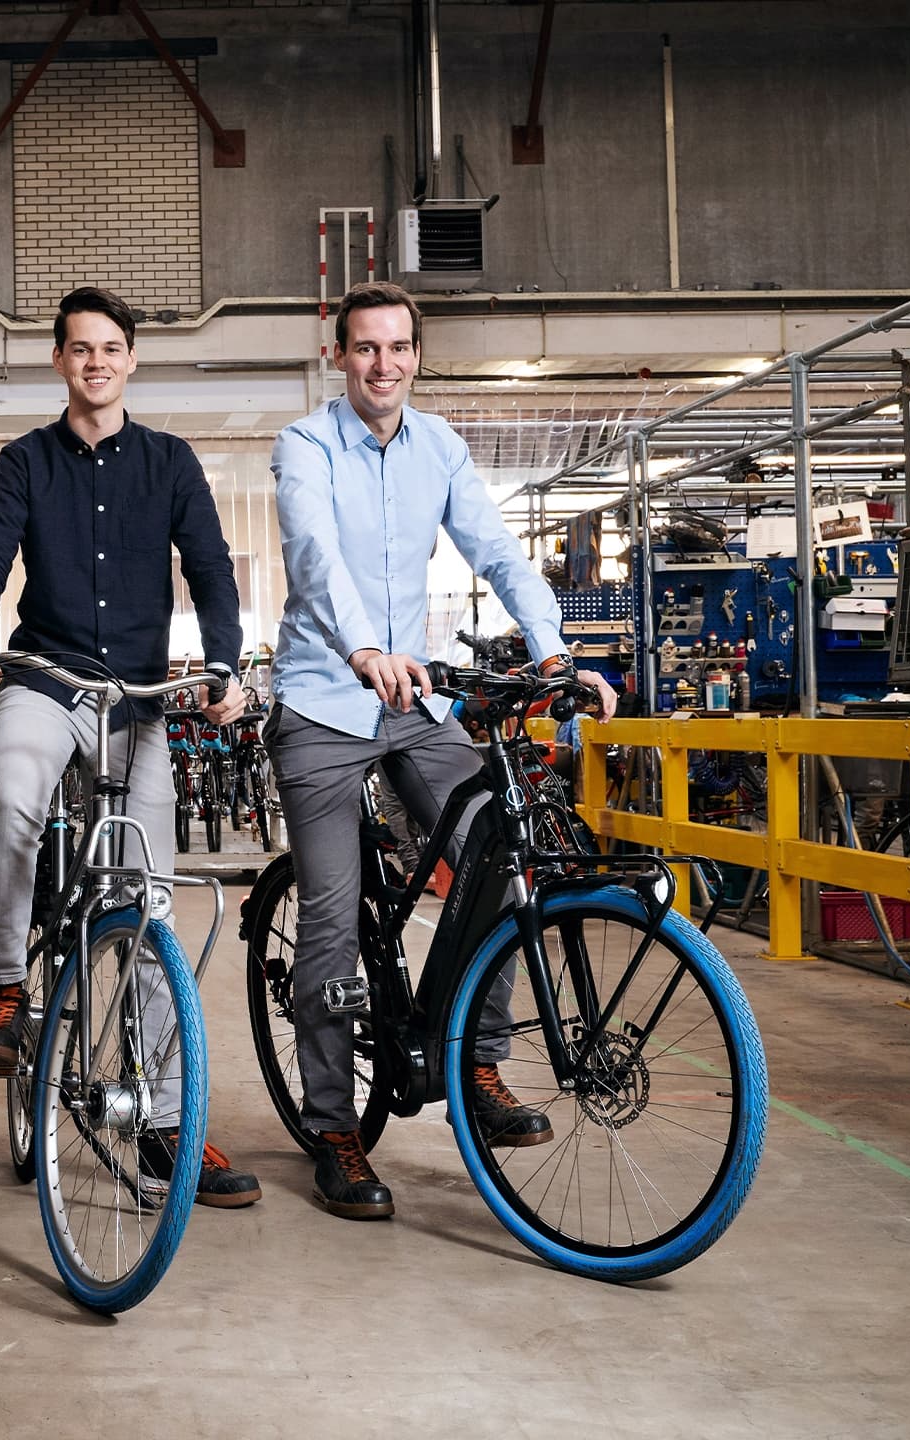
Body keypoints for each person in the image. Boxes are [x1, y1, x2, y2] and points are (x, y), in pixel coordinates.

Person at [267, 281, 618, 1221]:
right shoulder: (304, 445)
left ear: (419, 355)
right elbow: (312, 555)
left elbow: (497, 550)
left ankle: (481, 1064)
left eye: (400, 348)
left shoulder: (442, 449)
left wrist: (553, 647)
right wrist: (361, 649)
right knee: (334, 918)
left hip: (413, 699)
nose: (384, 365)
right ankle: (334, 1124)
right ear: (340, 355)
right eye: (366, 348)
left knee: (499, 862)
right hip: (324, 697)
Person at [0, 286, 261, 1208]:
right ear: (62, 361)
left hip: (139, 698)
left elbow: (211, 568)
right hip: (46, 679)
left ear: (131, 360)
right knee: (18, 791)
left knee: (147, 904)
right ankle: (3, 990)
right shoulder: (27, 460)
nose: (96, 361)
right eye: (80, 349)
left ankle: (160, 1119)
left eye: (111, 348)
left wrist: (224, 661)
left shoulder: (171, 462)